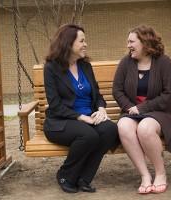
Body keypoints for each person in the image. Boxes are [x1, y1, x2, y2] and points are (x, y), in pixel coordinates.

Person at [43, 24, 118, 193]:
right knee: (88, 135)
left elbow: (97, 94)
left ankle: (84, 178)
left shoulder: (85, 66)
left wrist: (101, 109)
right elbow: (55, 105)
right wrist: (79, 117)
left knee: (110, 130)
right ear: (69, 43)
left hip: (89, 117)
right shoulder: (51, 68)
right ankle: (65, 174)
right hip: (61, 121)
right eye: (82, 41)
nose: (86, 44)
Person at [112, 25, 171, 194]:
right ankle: (144, 176)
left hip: (159, 112)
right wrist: (130, 108)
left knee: (145, 128)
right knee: (123, 127)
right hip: (131, 111)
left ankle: (160, 173)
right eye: (127, 41)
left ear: (145, 42)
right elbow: (117, 90)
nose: (128, 45)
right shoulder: (126, 62)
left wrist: (142, 108)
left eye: (131, 41)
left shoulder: (164, 62)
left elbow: (169, 94)